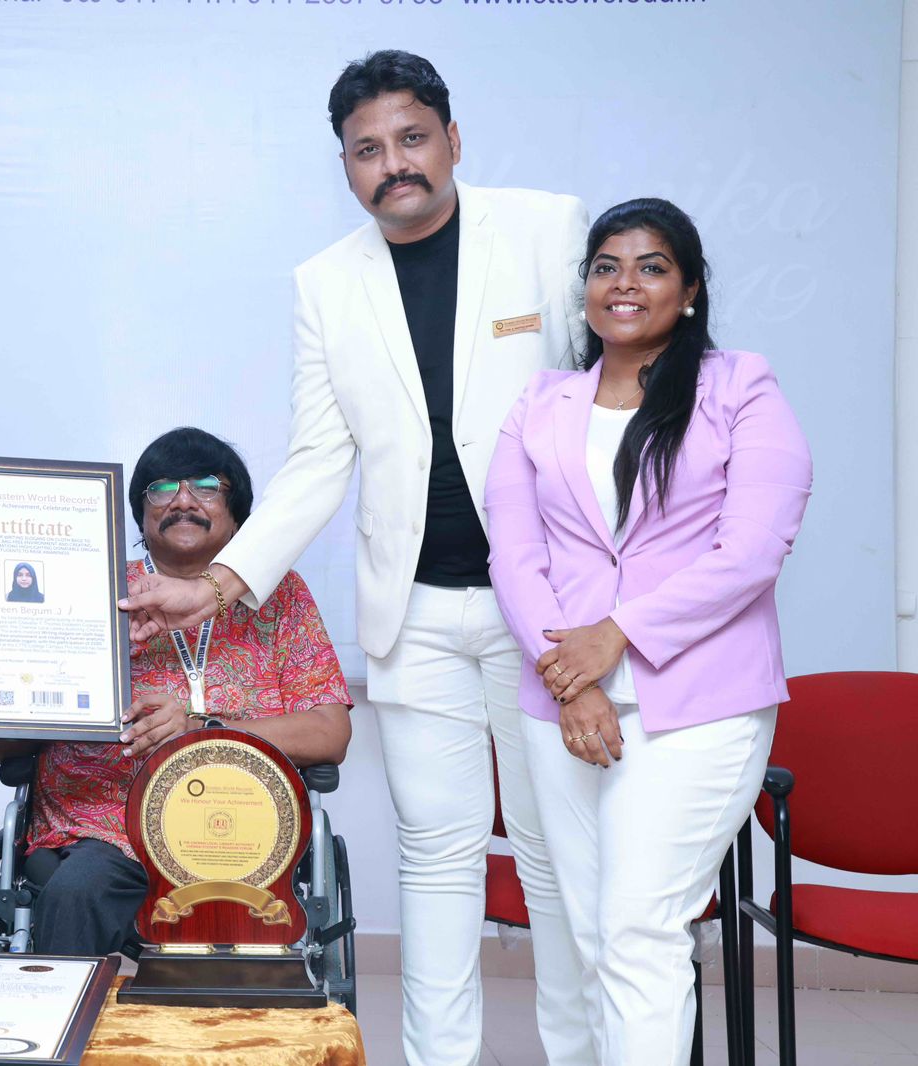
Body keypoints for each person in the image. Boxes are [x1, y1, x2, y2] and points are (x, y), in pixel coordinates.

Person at [119, 51, 590, 1064]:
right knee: (435, 860)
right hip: (414, 612)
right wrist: (218, 583)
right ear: (344, 167)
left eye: (411, 139)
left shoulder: (548, 232)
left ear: (452, 141)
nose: (394, 165)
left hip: (539, 608)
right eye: (367, 150)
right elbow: (317, 457)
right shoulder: (324, 284)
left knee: (555, 857)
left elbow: (607, 405)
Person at [486, 198, 812, 1064]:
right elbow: (513, 554)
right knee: (592, 940)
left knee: (637, 928)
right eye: (605, 266)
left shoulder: (741, 386)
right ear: (585, 289)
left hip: (701, 700)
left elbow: (752, 552)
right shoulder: (542, 402)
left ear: (692, 289)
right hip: (562, 701)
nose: (624, 283)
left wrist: (618, 635)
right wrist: (576, 674)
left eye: (652, 266)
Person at [0, 427, 351, 956]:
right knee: (75, 892)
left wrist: (201, 730)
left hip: (241, 833)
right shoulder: (88, 589)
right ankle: (60, 1033)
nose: (183, 500)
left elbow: (330, 733)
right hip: (107, 829)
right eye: (162, 487)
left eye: (207, 485)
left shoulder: (279, 597)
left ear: (240, 514)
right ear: (140, 513)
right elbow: (8, 748)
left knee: (239, 938)